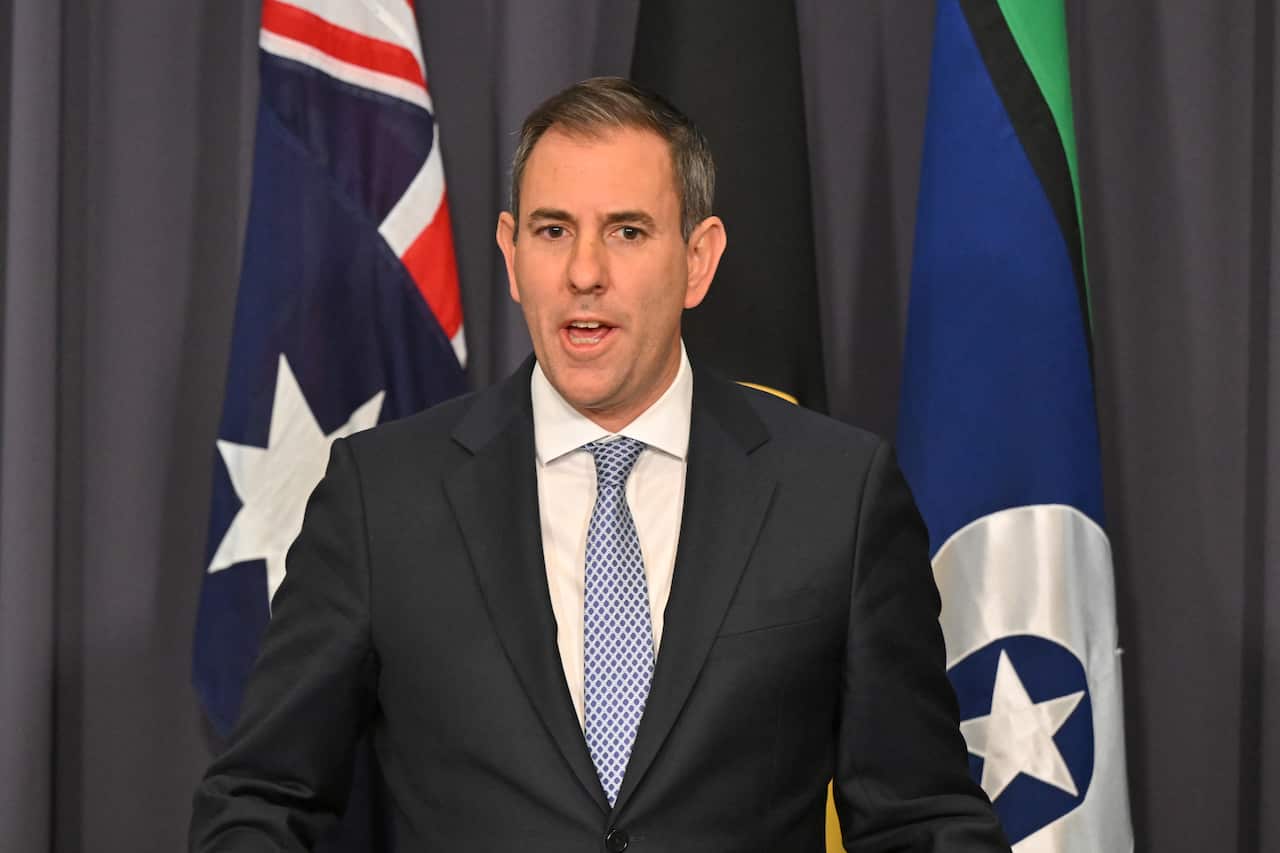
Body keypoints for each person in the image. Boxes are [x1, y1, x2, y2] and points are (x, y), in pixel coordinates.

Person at [190, 76, 1009, 852]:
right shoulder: (382, 498)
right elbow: (261, 801)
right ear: (512, 254)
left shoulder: (836, 494)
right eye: (553, 230)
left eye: (627, 230)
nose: (585, 273)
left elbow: (922, 820)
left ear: (698, 258)